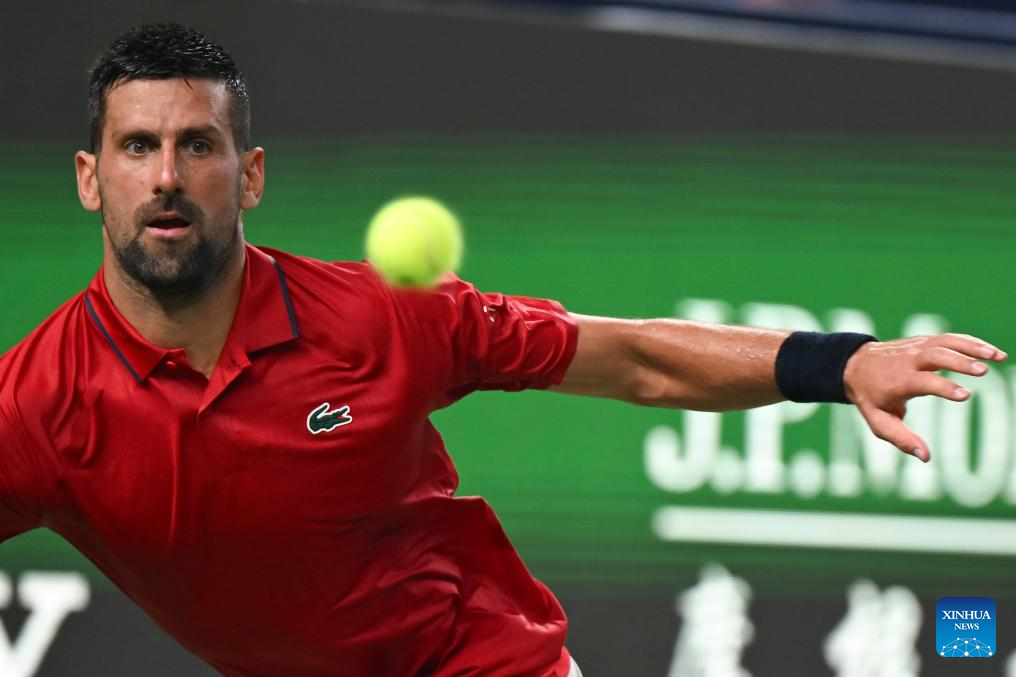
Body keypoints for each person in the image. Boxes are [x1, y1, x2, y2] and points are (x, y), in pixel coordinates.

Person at [0, 22, 1005, 677]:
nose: (166, 177)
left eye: (197, 145)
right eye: (137, 146)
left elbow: (633, 358)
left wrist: (838, 362)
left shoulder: (380, 316)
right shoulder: (37, 406)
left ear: (250, 174)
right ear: (90, 178)